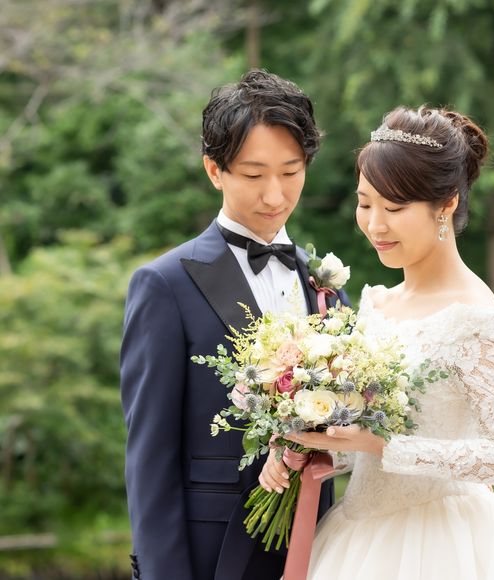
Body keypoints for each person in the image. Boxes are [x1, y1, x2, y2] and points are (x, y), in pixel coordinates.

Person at [259, 105, 494, 578]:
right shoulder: (377, 303)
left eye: (394, 208)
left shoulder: (474, 316)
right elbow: (360, 441)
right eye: (365, 204)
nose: (375, 225)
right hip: (357, 536)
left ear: (446, 204)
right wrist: (304, 440)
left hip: (442, 543)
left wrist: (385, 446)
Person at [120, 70, 348, 580]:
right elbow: (150, 456)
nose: (274, 195)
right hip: (212, 552)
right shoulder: (164, 284)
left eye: (290, 172)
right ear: (214, 170)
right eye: (254, 174)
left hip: (319, 545)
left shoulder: (326, 283)